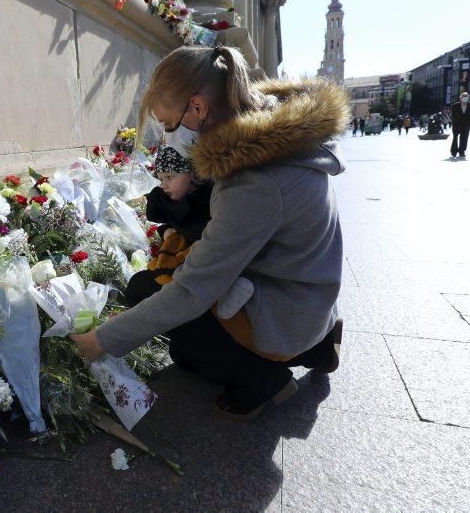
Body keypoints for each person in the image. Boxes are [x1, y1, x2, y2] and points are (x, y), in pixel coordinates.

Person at [71, 45, 348, 419]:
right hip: (305, 297)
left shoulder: (255, 182)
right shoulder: (275, 138)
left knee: (157, 298)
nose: (168, 137)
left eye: (169, 124)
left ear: (198, 109)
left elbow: (191, 292)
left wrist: (99, 341)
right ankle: (317, 347)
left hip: (288, 310)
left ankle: (262, 380)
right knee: (173, 313)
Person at [127, 144, 254, 322]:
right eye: (161, 179)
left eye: (170, 177)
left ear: (193, 175)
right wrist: (167, 233)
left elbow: (213, 234)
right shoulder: (171, 199)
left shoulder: (207, 200)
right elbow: (171, 224)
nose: (164, 185)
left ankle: (230, 291)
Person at [449, 92, 470, 157]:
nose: (465, 98)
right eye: (463, 97)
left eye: (466, 97)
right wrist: (454, 122)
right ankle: (453, 151)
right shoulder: (455, 105)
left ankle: (462, 151)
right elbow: (453, 115)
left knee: (464, 138)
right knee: (455, 137)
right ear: (460, 98)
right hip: (456, 123)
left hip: (466, 124)